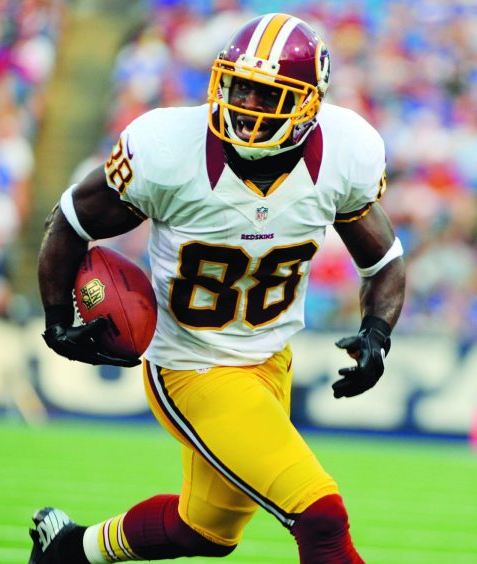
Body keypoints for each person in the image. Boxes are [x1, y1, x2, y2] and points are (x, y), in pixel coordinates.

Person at [30, 13, 405, 564]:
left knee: (203, 532)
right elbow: (70, 221)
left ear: (308, 105)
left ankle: (66, 550)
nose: (246, 105)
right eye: (239, 86)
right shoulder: (167, 148)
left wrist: (378, 330)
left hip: (270, 358)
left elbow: (385, 260)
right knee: (321, 517)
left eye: (266, 93)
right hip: (191, 366)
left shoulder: (346, 152)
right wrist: (57, 316)